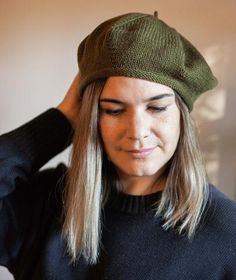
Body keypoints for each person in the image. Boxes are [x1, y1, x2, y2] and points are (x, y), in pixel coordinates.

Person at [0, 12, 236, 280]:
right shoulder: (45, 206)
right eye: (113, 110)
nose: (137, 132)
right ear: (91, 117)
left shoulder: (227, 234)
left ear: (183, 117)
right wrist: (61, 120)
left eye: (157, 108)